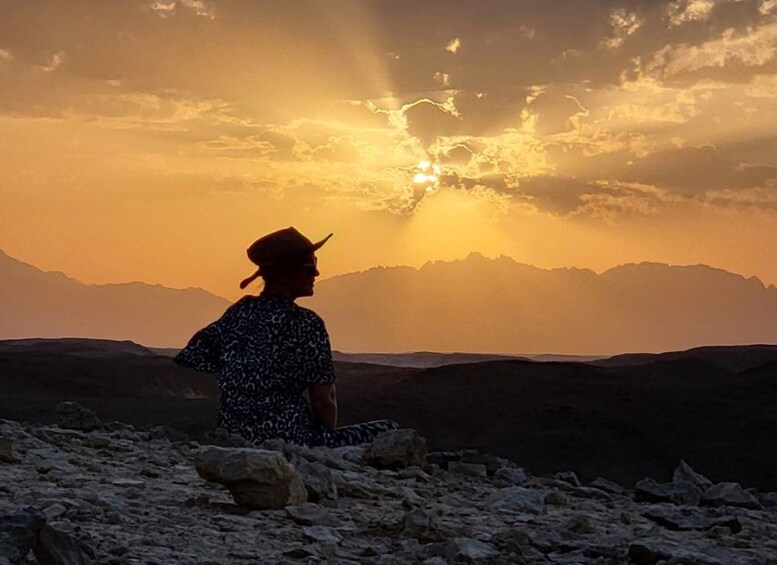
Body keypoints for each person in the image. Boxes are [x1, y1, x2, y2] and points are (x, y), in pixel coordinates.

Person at [174, 227, 399, 447]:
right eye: (309, 267)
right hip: (290, 441)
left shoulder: (238, 312)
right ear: (284, 274)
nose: (316, 274)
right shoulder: (305, 323)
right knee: (390, 431)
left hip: (232, 436)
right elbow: (324, 400)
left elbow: (194, 356)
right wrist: (324, 446)